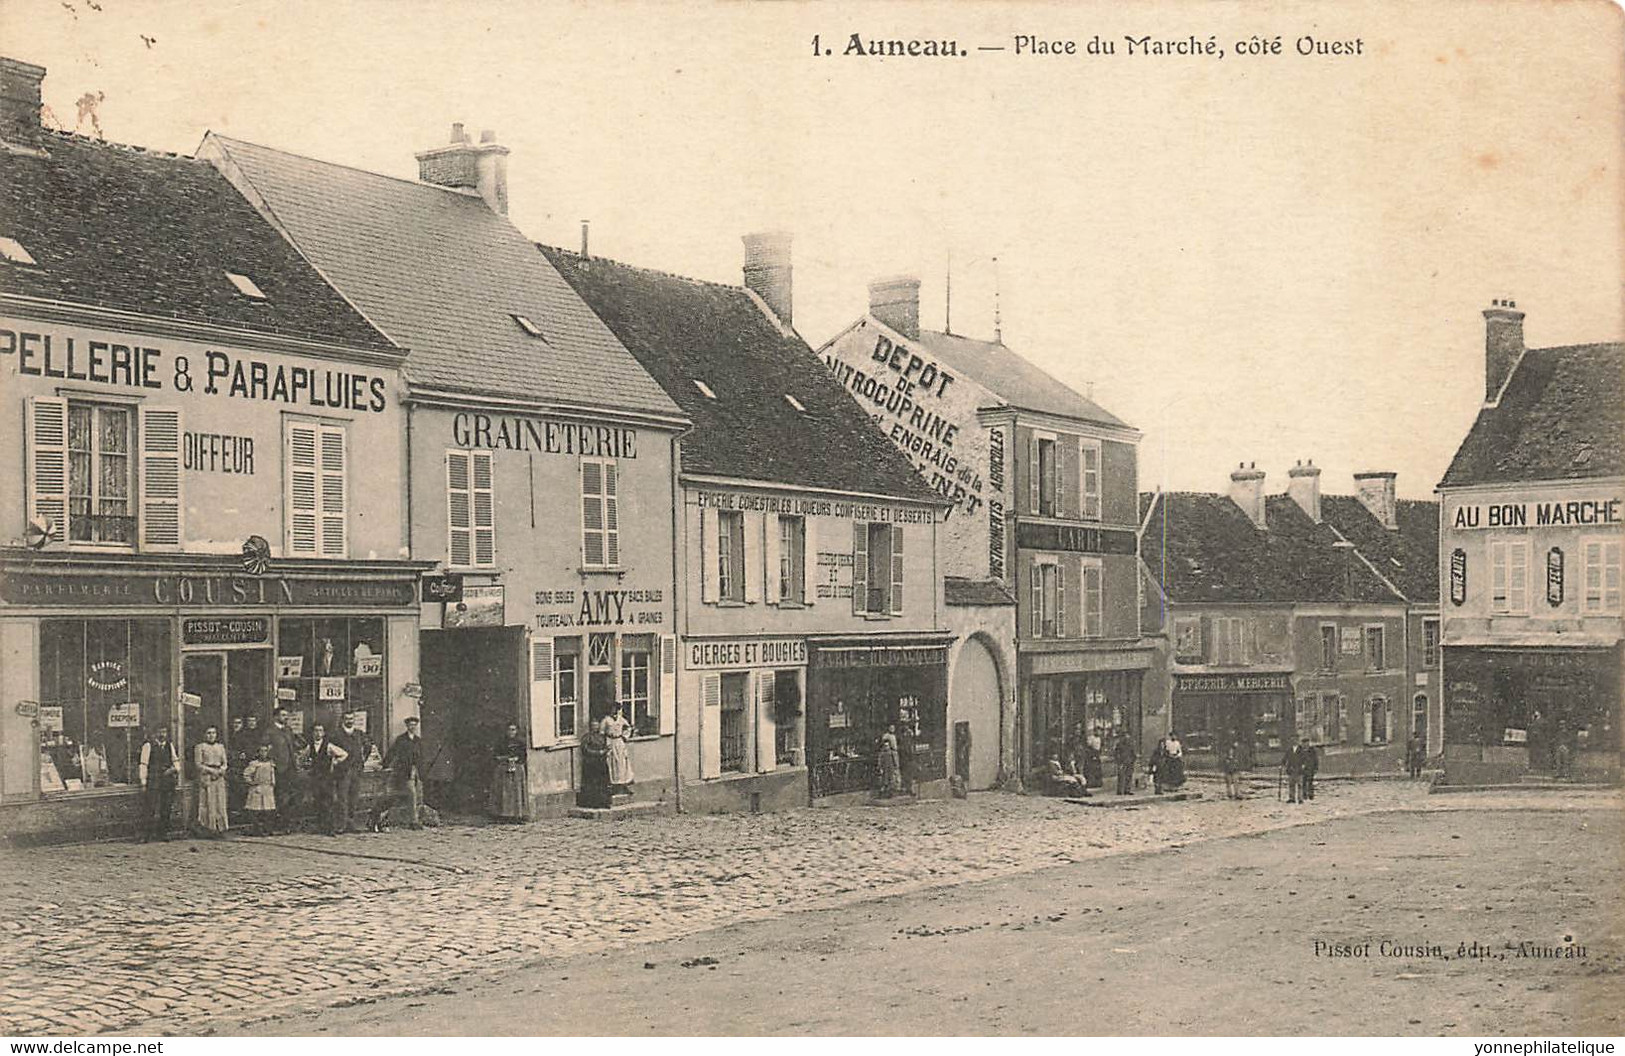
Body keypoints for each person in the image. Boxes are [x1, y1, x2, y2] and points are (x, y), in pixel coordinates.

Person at [305, 723, 350, 836]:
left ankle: (329, 828)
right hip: (315, 778)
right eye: (316, 731)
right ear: (312, 733)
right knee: (318, 802)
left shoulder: (328, 746)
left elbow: (344, 754)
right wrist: (307, 764)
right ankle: (320, 826)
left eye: (320, 731)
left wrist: (335, 762)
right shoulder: (309, 746)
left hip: (326, 778)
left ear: (324, 733)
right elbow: (302, 757)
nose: (318, 733)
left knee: (328, 802)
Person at [138, 726, 181, 842]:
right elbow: (143, 764)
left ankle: (163, 834)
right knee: (150, 808)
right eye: (160, 732)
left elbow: (175, 760)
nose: (162, 734)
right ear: (155, 733)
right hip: (154, 779)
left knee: (166, 807)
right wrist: (143, 781)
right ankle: (146, 835)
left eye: (164, 731)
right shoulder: (148, 746)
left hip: (167, 780)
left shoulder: (169, 745)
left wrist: (174, 769)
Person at [385, 716, 425, 829]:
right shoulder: (401, 739)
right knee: (411, 794)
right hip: (405, 771)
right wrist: (385, 764)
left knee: (417, 795)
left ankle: (415, 819)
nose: (412, 727)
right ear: (407, 726)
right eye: (410, 725)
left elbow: (421, 757)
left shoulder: (418, 740)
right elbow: (392, 752)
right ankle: (414, 821)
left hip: (416, 770)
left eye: (414, 725)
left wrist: (422, 771)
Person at [265, 707, 299, 833]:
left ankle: (287, 824)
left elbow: (293, 747)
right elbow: (265, 749)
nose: (286, 717)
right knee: (279, 797)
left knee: (290, 797)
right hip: (278, 769)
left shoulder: (288, 730)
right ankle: (278, 824)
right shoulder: (270, 732)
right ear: (276, 716)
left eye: (287, 715)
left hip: (290, 768)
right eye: (283, 715)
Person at [193, 725, 229, 837]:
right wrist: (211, 771)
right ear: (204, 734)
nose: (211, 735)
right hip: (207, 777)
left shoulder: (220, 747)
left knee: (220, 802)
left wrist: (221, 771)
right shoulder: (200, 747)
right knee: (208, 802)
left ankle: (220, 828)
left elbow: (225, 763)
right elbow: (198, 764)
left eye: (213, 733)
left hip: (219, 777)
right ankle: (209, 828)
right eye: (208, 733)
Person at [332, 713, 366, 833]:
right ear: (342, 720)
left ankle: (351, 823)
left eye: (351, 719)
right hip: (343, 770)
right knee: (342, 798)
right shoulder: (336, 734)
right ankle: (341, 824)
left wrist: (362, 761)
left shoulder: (359, 734)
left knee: (354, 798)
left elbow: (367, 746)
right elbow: (331, 750)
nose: (349, 721)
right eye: (347, 719)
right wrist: (337, 763)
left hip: (356, 770)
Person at [489, 722, 528, 822]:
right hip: (504, 768)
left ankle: (517, 814)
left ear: (517, 731)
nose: (511, 732)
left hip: (517, 768)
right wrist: (505, 758)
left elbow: (524, 756)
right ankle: (503, 814)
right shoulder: (501, 742)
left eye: (513, 730)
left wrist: (516, 759)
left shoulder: (521, 743)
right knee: (504, 791)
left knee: (516, 792)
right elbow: (496, 755)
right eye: (509, 730)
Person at [242, 744, 277, 837]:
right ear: (258, 752)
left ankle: (267, 829)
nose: (263, 753)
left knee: (268, 810)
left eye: (265, 751)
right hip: (257, 788)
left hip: (267, 788)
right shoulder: (254, 763)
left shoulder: (270, 763)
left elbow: (272, 774)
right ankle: (256, 829)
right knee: (255, 810)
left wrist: (272, 783)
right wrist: (251, 782)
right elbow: (246, 774)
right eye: (261, 751)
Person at [600, 704, 634, 795]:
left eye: (616, 709)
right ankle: (613, 785)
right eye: (612, 709)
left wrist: (625, 736)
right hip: (610, 741)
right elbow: (601, 733)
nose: (614, 711)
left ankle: (623, 784)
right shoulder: (606, 720)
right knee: (612, 763)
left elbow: (628, 727)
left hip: (619, 742)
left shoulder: (621, 719)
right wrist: (605, 743)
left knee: (622, 763)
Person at [226, 716, 248, 816]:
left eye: (238, 723)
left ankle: (240, 810)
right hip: (232, 765)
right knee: (234, 788)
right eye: (234, 723)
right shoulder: (230, 735)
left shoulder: (243, 736)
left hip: (240, 766)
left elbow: (245, 752)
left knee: (240, 788)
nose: (236, 725)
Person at [877, 724, 902, 797]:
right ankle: (885, 791)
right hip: (887, 761)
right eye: (891, 728)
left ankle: (894, 789)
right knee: (885, 777)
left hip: (893, 754)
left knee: (893, 775)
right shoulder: (886, 736)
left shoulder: (894, 736)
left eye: (893, 728)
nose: (892, 729)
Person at [1113, 731, 1136, 795]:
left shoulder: (1130, 745)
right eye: (1125, 736)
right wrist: (1119, 762)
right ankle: (1120, 791)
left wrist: (1133, 760)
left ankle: (1127, 790)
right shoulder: (1119, 745)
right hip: (1122, 762)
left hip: (1129, 762)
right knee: (1121, 776)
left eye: (1128, 736)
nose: (1127, 738)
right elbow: (1116, 754)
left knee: (1129, 776)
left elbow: (1133, 753)